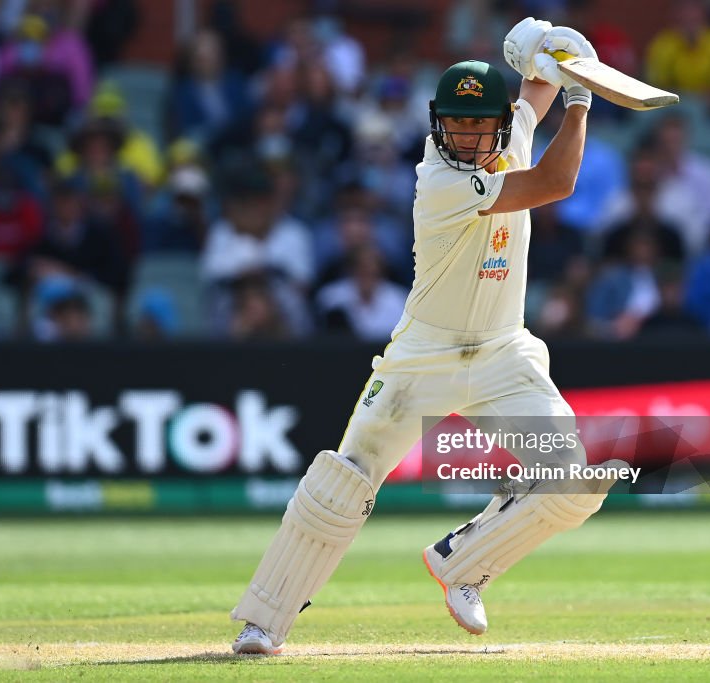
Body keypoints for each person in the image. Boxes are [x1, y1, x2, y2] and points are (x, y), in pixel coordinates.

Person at [231, 18, 625, 655]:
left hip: (503, 353)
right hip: (422, 357)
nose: (467, 136)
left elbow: (531, 89)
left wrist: (557, 50)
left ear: (498, 124)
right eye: (456, 123)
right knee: (345, 479)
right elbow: (556, 184)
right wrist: (582, 95)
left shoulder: (513, 130)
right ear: (437, 122)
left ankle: (464, 564)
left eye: (479, 124)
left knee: (573, 481)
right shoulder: (439, 181)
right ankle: (264, 622)